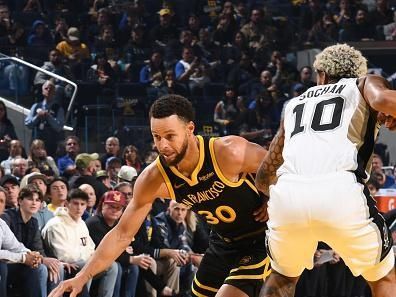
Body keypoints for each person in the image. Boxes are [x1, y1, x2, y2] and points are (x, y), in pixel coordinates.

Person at [49, 94, 270, 297]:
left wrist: (270, 198)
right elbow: (121, 234)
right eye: (157, 137)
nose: (163, 145)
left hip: (263, 237)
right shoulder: (154, 178)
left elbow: (283, 169)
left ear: (190, 129)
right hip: (223, 243)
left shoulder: (228, 152)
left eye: (170, 136)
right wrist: (82, 276)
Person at [255, 44, 396, 297]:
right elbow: (384, 100)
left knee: (282, 277)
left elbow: (265, 175)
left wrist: (267, 198)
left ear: (321, 74)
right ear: (357, 73)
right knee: (383, 276)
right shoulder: (362, 84)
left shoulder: (295, 104)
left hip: (288, 198)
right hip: (340, 193)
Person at [25, 80, 65, 156]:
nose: (48, 90)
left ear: (54, 92)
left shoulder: (58, 108)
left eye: (51, 89)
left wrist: (48, 116)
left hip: (51, 144)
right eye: (46, 88)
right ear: (42, 90)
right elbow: (28, 124)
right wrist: (37, 116)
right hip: (36, 143)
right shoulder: (36, 106)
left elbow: (59, 127)